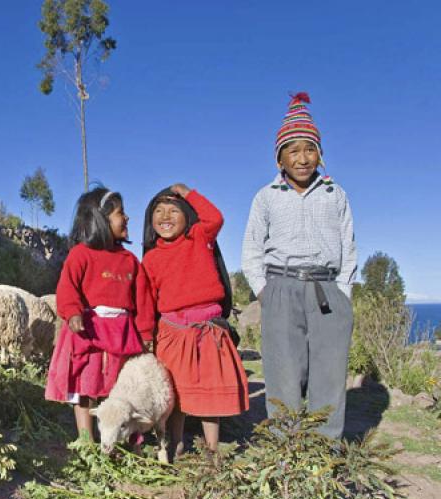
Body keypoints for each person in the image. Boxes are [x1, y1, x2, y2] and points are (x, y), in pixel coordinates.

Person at [241, 92, 356, 439]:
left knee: (329, 379)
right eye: (294, 150)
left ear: (320, 155)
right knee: (284, 379)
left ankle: (324, 464)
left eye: (310, 149)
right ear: (280, 159)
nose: (303, 158)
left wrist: (344, 294)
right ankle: (286, 462)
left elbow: (348, 247)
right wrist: (266, 292)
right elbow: (251, 249)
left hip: (327, 291)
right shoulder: (266, 196)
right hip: (281, 288)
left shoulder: (335, 194)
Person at [141, 184, 249, 457]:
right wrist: (146, 333)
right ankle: (174, 442)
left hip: (208, 331)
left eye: (173, 210)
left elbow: (216, 217)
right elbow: (146, 301)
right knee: (174, 394)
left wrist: (188, 193)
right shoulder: (151, 259)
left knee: (209, 394)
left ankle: (212, 449)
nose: (165, 216)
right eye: (158, 211)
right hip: (172, 332)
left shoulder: (199, 237)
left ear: (187, 215)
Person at [45, 186, 153, 441]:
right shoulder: (81, 254)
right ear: (101, 220)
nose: (126, 218)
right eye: (120, 213)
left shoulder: (129, 260)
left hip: (121, 333)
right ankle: (86, 440)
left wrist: (146, 332)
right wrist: (72, 312)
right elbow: (67, 286)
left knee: (117, 387)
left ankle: (115, 438)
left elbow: (143, 299)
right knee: (86, 386)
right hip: (90, 330)